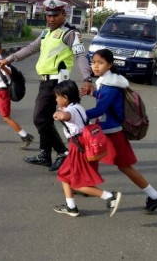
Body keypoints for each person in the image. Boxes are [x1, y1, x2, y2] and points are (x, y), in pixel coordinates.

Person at [0, 0, 94, 171]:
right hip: (46, 81)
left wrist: (87, 79)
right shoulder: (46, 33)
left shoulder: (70, 34)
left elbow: (81, 56)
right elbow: (30, 48)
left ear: (64, 14)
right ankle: (44, 154)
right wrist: (9, 59)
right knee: (46, 118)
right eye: (48, 16)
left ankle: (62, 152)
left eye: (55, 15)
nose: (51, 19)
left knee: (40, 118)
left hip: (58, 82)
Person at [82, 49, 157, 212]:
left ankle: (155, 196)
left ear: (110, 64)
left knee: (123, 166)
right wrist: (93, 92)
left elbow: (101, 109)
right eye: (93, 62)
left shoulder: (110, 86)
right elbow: (105, 100)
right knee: (90, 157)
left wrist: (76, 113)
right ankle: (86, 186)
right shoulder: (107, 82)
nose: (95, 66)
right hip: (106, 130)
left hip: (112, 133)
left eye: (100, 63)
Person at [51, 80, 122, 217]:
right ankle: (71, 207)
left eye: (57, 96)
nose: (56, 99)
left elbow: (66, 116)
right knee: (63, 175)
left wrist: (57, 115)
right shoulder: (78, 107)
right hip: (82, 144)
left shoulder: (70, 111)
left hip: (77, 147)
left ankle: (109, 196)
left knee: (76, 183)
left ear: (65, 97)